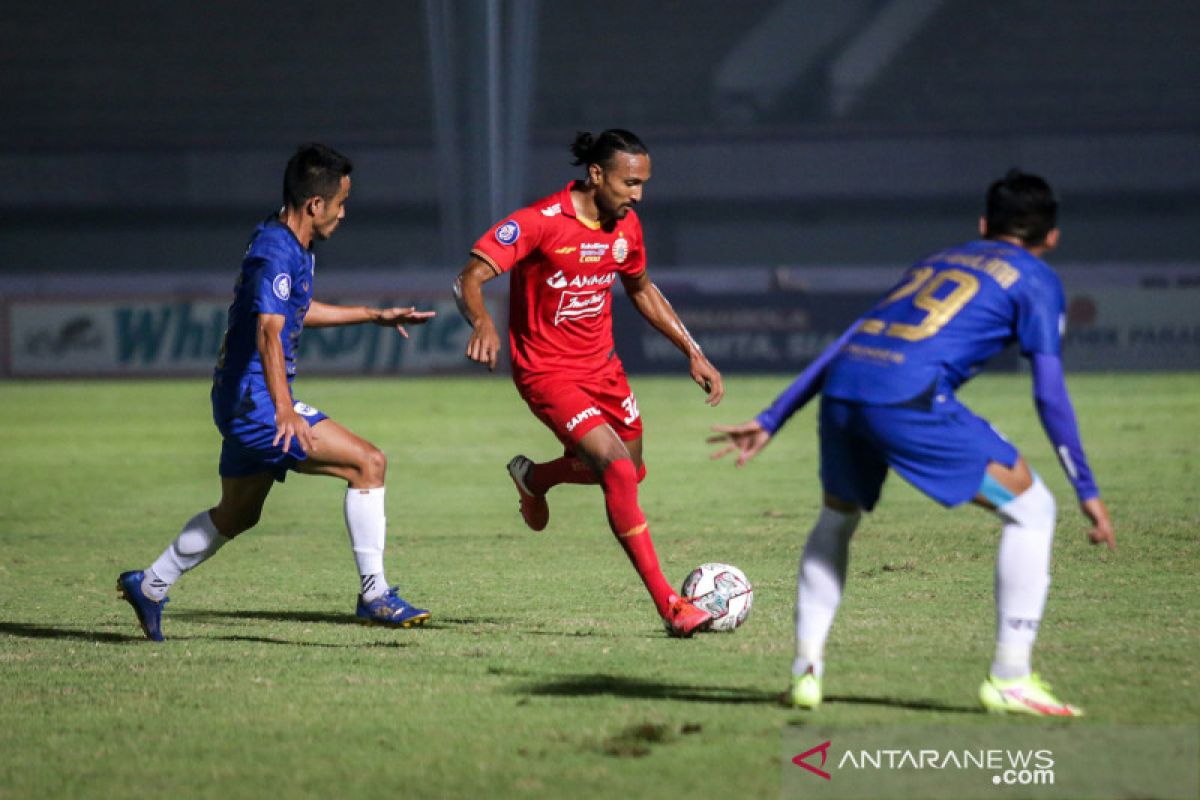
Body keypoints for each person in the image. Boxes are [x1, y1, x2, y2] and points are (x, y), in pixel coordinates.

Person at [710, 169, 1115, 715]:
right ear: (1052, 237)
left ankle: (806, 671)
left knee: (837, 519)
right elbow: (1048, 393)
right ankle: (1011, 678)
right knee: (1034, 509)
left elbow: (852, 338)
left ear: (982, 225)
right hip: (906, 401)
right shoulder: (1038, 278)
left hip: (846, 391)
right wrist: (1085, 486)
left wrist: (774, 415)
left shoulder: (937, 261)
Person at [118, 143, 436, 641]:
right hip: (256, 404)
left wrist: (373, 315)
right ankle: (375, 595)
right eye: (341, 202)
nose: (344, 213)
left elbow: (293, 313)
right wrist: (285, 410)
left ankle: (150, 584)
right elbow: (270, 329)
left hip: (242, 399)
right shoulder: (275, 250)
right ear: (315, 205)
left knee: (238, 514)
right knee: (367, 463)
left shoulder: (290, 244)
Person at [454, 129, 724, 637]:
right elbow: (468, 276)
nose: (638, 194)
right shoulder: (538, 223)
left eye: (643, 183)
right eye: (629, 183)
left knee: (632, 470)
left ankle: (536, 479)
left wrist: (693, 350)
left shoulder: (627, 226)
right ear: (597, 175)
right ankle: (671, 607)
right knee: (618, 472)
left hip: (603, 369)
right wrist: (484, 323)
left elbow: (641, 288)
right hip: (546, 372)